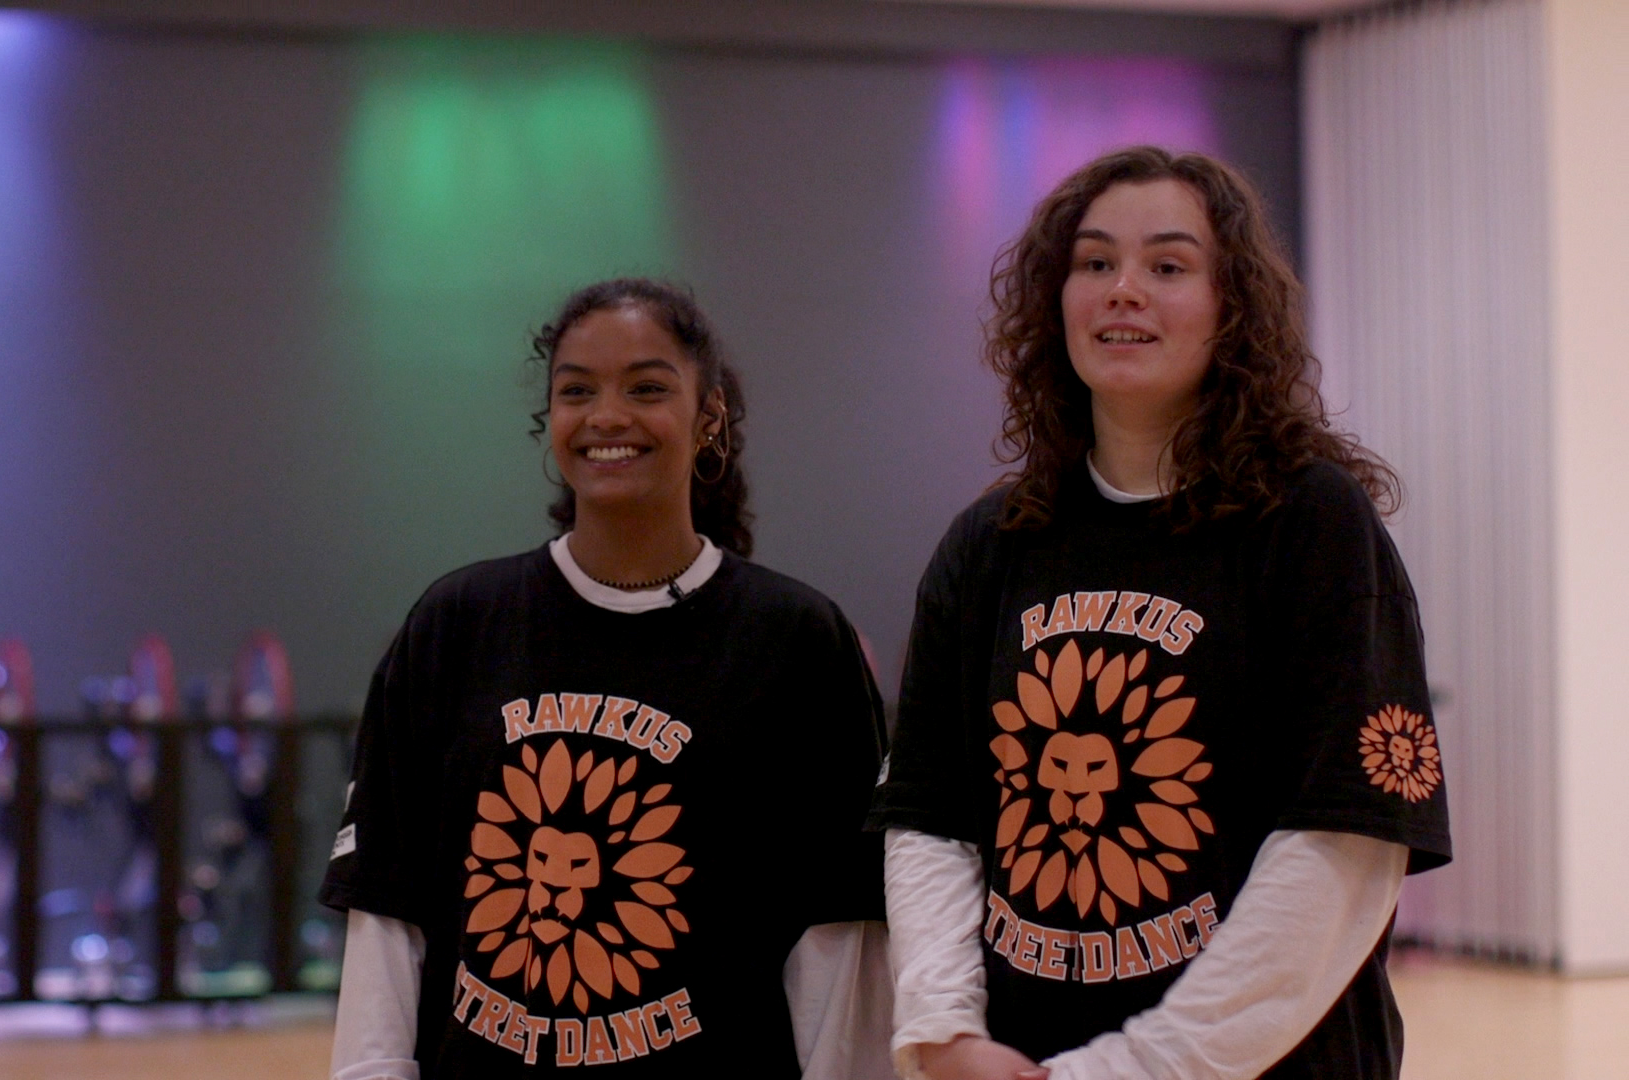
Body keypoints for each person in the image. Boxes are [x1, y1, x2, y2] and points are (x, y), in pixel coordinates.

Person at [869, 147, 1451, 1080]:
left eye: (1168, 266)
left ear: (1233, 308)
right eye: (1095, 263)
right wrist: (943, 1032)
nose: (1123, 290)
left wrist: (1136, 1068)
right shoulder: (989, 542)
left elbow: (1344, 845)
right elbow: (931, 815)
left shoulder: (1310, 522)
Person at [321, 278, 894, 1079]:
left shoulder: (796, 640)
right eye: (577, 391)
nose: (607, 417)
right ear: (548, 421)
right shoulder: (455, 623)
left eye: (648, 388)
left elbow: (836, 943)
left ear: (708, 417)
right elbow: (388, 912)